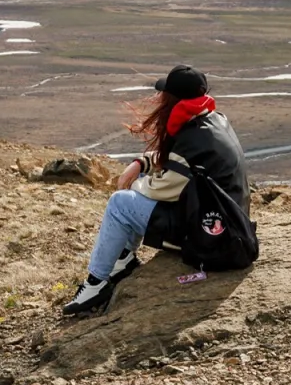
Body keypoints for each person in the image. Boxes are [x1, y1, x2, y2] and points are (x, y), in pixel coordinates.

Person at [62, 65, 256, 317]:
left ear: (174, 99)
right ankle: (123, 261)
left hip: (212, 237)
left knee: (120, 203)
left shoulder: (193, 140)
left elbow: (162, 188)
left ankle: (96, 283)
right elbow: (175, 162)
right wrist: (141, 163)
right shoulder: (211, 120)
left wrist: (134, 183)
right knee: (140, 180)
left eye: (164, 95)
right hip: (225, 222)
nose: (159, 99)